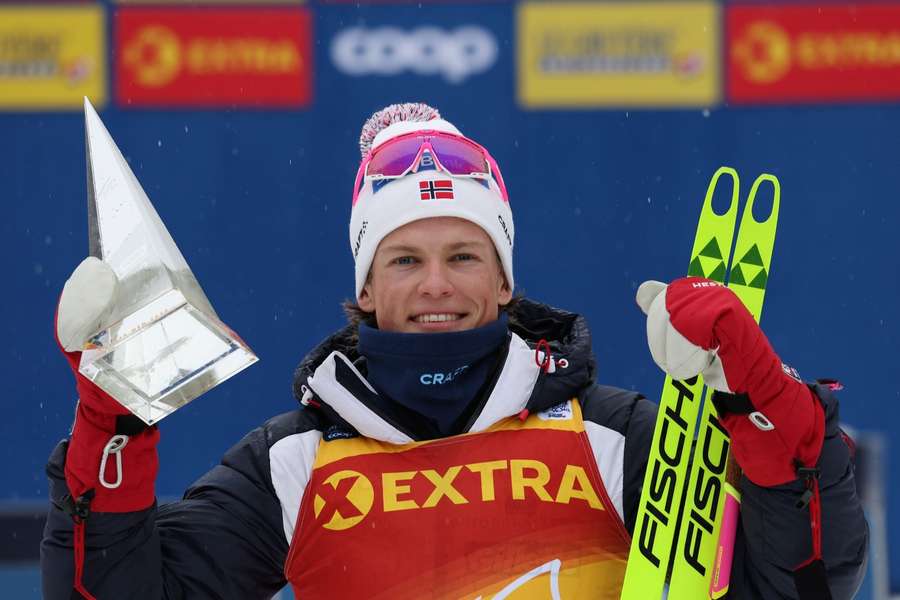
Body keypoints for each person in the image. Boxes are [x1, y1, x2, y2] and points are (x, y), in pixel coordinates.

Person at [42, 103, 867, 599]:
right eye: (404, 259)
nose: (436, 284)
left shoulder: (613, 438)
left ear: (504, 280)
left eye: (465, 256)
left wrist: (765, 408)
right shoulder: (291, 465)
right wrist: (111, 427)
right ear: (365, 287)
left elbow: (804, 583)